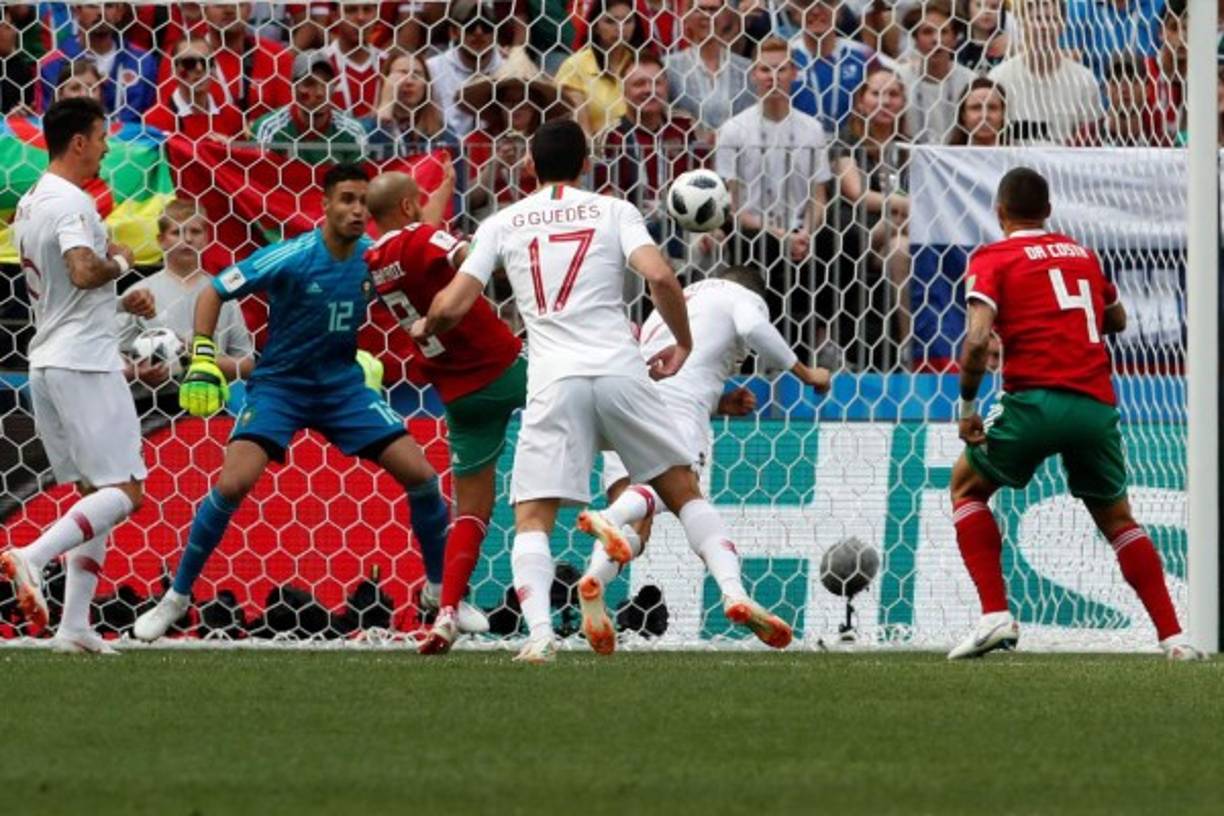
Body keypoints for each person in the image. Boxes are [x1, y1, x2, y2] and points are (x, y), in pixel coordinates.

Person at [412, 119, 795, 663]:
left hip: (552, 379)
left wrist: (426, 326)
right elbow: (662, 278)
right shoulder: (614, 209)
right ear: (587, 164)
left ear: (528, 166)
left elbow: (451, 306)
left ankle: (540, 635)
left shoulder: (504, 221)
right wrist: (682, 344)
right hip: (621, 371)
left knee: (533, 518)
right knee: (683, 492)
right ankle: (735, 592)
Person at [132, 164, 453, 643]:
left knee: (424, 478)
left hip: (342, 386)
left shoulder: (374, 257)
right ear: (324, 204)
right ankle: (176, 597)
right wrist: (201, 357)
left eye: (364, 201)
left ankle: (439, 592)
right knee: (232, 484)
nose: (356, 209)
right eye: (346, 199)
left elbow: (418, 276)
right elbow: (214, 292)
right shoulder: (290, 256)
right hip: (280, 386)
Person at [949, 166, 1202, 661]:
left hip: (1033, 401)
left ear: (999, 212)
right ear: (1048, 211)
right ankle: (1175, 640)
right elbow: (1119, 319)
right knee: (1119, 520)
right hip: (1095, 405)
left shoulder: (992, 257)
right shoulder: (1082, 255)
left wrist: (967, 408)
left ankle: (995, 615)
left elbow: (977, 340)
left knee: (966, 487)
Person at [576, 266, 831, 653]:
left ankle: (594, 577)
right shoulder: (739, 296)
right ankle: (732, 592)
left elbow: (676, 366)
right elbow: (754, 328)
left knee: (636, 531)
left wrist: (721, 402)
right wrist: (806, 372)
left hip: (624, 401)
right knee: (683, 495)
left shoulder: (671, 305)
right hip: (676, 410)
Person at [0, 97, 154, 653]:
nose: (109, 147)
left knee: (95, 491)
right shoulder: (72, 202)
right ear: (79, 142)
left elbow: (68, 292)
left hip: (48, 358)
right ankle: (31, 556)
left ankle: (75, 626)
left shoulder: (31, 201)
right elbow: (84, 270)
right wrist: (123, 262)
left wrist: (118, 301)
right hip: (84, 362)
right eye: (101, 135)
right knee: (127, 491)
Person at [364, 171, 525, 654]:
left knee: (471, 510)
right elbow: (466, 259)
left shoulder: (376, 259)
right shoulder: (421, 239)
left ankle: (447, 611)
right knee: (602, 417)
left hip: (457, 392)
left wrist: (439, 197)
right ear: (410, 208)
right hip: (505, 369)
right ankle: (631, 505)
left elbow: (419, 244)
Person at [715, 37, 834, 359]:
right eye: (765, 70)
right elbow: (733, 205)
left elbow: (818, 196)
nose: (773, 77)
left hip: (800, 231)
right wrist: (781, 236)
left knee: (842, 241)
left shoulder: (811, 129)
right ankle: (760, 352)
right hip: (755, 232)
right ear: (753, 74)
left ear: (794, 73)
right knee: (755, 246)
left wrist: (805, 232)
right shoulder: (734, 129)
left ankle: (825, 345)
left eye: (781, 69)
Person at [117, 199, 255, 412]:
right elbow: (107, 359)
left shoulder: (223, 295)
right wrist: (137, 373)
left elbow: (246, 365)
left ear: (207, 237)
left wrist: (197, 356)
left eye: (195, 231)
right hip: (151, 410)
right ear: (161, 240)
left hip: (210, 406)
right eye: (177, 232)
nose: (187, 239)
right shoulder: (138, 296)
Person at [830, 66, 912, 359]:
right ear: (861, 101)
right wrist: (904, 204)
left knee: (901, 248)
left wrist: (901, 211)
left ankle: (908, 344)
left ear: (902, 102)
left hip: (897, 235)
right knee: (899, 226)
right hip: (857, 233)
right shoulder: (846, 142)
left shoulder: (908, 147)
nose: (884, 101)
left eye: (892, 94)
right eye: (876, 93)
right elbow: (855, 192)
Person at [597, 54, 704, 251]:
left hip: (685, 223)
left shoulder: (685, 125)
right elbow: (606, 197)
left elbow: (704, 181)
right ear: (624, 91)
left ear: (667, 87)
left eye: (657, 83)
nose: (649, 90)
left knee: (711, 244)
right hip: (634, 230)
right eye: (639, 84)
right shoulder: (612, 136)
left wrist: (709, 229)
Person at [988, 0, 1103, 145]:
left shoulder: (1083, 80)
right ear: (1022, 22)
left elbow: (1089, 139)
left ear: (1062, 25)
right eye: (1037, 19)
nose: (1044, 26)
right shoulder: (999, 77)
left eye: (1051, 19)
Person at [35, 3, 159, 121]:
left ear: (119, 13)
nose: (101, 13)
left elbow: (152, 122)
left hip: (131, 142)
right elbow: (46, 123)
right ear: (76, 11)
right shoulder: (52, 64)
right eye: (92, 5)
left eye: (108, 6)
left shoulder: (143, 62)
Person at [252, 50, 368, 165]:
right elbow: (260, 179)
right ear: (293, 87)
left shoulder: (352, 132)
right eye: (309, 83)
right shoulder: (270, 129)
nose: (320, 92)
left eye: (327, 83)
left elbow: (360, 181)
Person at [555, 0, 645, 137]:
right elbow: (580, 131)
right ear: (595, 26)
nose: (620, 28)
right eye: (610, 21)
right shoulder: (575, 67)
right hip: (597, 153)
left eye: (628, 21)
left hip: (642, 149)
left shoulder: (643, 64)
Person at [788, 0, 880, 134]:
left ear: (839, 10)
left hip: (853, 147)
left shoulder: (864, 55)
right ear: (793, 12)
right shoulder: (785, 56)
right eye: (806, 4)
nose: (815, 11)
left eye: (826, 2)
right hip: (798, 145)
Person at [663, 0, 755, 132]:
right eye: (699, 9)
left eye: (713, 9)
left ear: (725, 16)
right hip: (690, 150)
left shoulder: (746, 68)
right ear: (687, 16)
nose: (707, 15)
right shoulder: (669, 67)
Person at [897, 0, 975, 145]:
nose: (936, 39)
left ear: (954, 40)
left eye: (944, 32)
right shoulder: (900, 78)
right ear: (915, 40)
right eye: (927, 32)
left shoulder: (969, 81)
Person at [426, 0, 506, 139]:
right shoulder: (433, 68)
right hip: (445, 148)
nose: (479, 32)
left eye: (486, 26)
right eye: (470, 25)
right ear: (453, 32)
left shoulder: (508, 69)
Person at [142, 36, 245, 141]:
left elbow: (244, 155)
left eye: (206, 62)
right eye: (189, 63)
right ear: (174, 71)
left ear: (213, 68)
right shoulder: (156, 119)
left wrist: (230, 149)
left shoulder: (233, 115)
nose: (199, 69)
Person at [366, 51, 459, 159]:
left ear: (427, 84)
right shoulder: (365, 128)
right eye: (401, 74)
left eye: (416, 75)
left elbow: (459, 173)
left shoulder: (443, 133)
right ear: (386, 82)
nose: (409, 82)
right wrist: (386, 106)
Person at [323, 1, 385, 118]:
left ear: (377, 14)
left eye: (367, 9)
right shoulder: (319, 64)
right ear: (335, 17)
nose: (360, 18)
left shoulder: (388, 64)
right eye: (351, 10)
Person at [946, 77, 1010, 145]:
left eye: (992, 108)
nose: (984, 115)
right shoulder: (944, 155)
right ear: (963, 115)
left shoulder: (1017, 154)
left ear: (1003, 113)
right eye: (976, 108)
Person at [956, 0, 1014, 74]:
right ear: (967, 7)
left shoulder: (1009, 47)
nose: (987, 11)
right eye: (979, 5)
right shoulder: (958, 47)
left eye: (994, 7)